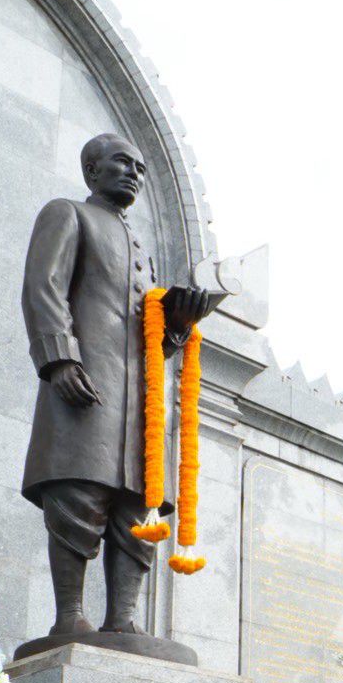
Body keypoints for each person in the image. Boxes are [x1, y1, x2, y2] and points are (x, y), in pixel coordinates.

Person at [20, 133, 218, 641]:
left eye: (140, 168)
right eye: (121, 163)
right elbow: (44, 287)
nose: (133, 173)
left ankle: (122, 619)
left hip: (139, 406)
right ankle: (69, 617)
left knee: (134, 505)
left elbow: (153, 342)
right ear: (92, 171)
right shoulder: (68, 214)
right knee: (78, 497)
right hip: (85, 385)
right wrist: (59, 359)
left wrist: (177, 324)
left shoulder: (144, 254)